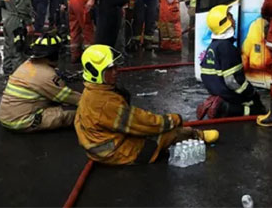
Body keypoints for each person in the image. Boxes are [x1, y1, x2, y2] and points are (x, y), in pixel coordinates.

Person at [75, 45, 219, 165]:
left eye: (115, 67)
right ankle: (198, 135)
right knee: (167, 133)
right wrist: (174, 120)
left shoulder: (91, 92)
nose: (116, 72)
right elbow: (144, 123)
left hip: (102, 149)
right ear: (96, 72)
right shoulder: (106, 103)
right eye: (110, 69)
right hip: (119, 152)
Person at [0, 33, 81, 131]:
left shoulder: (27, 64)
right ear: (53, 55)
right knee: (75, 111)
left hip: (6, 116)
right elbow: (70, 98)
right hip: (22, 121)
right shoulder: (47, 75)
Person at [197, 5, 266, 119]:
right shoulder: (227, 48)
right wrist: (251, 93)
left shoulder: (214, 45)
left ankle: (218, 104)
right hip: (228, 95)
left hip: (216, 92)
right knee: (256, 110)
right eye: (230, 17)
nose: (233, 20)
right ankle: (226, 109)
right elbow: (232, 81)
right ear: (224, 23)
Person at [1, 0, 38, 74]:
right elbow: (23, 6)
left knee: (8, 45)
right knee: (18, 47)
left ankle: (7, 69)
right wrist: (29, 23)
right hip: (17, 20)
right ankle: (18, 75)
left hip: (7, 18)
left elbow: (2, 1)